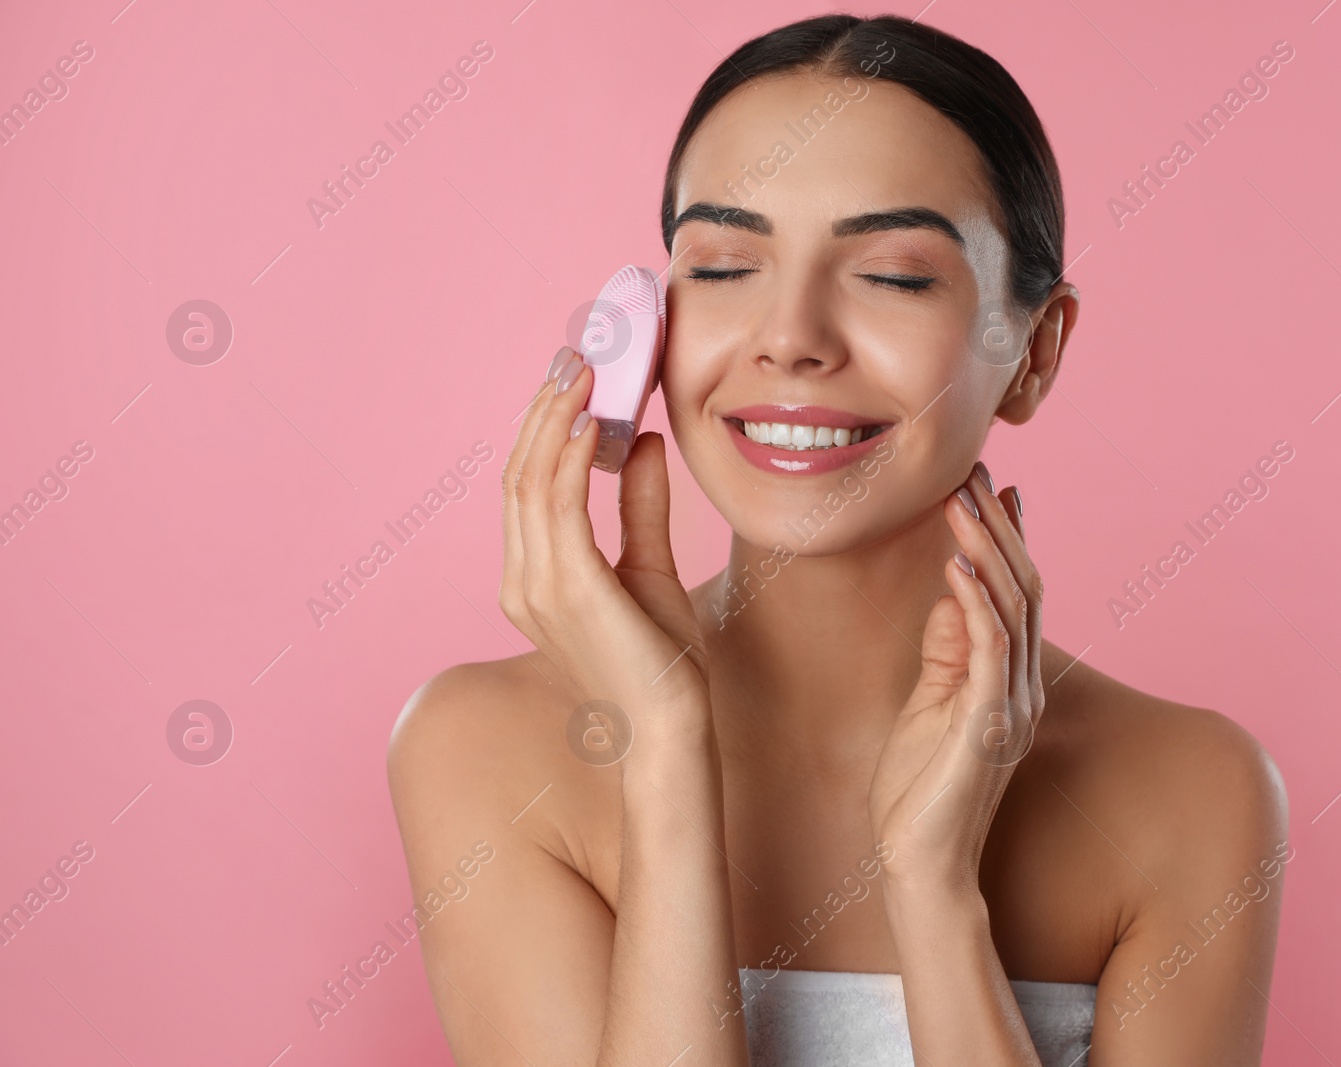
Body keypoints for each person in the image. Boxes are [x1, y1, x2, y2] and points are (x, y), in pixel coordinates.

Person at [388, 13, 1287, 1065]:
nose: (792, 339)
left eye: (894, 275)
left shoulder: (1190, 790)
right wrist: (668, 758)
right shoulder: (484, 747)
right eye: (724, 265)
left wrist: (932, 884)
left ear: (1033, 351)